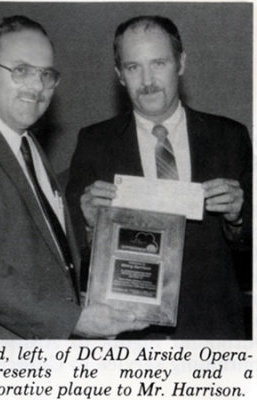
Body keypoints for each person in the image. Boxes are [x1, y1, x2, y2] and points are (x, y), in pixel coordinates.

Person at [0, 15, 148, 339]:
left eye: (46, 75)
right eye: (21, 70)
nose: (37, 86)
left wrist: (76, 303)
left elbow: (42, 254)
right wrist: (75, 320)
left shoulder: (26, 144)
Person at [66, 16, 252, 339]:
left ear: (181, 63)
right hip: (129, 338)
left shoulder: (230, 137)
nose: (147, 80)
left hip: (213, 334)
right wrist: (89, 225)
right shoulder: (93, 143)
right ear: (119, 76)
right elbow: (71, 259)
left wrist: (239, 218)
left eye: (159, 63)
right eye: (133, 67)